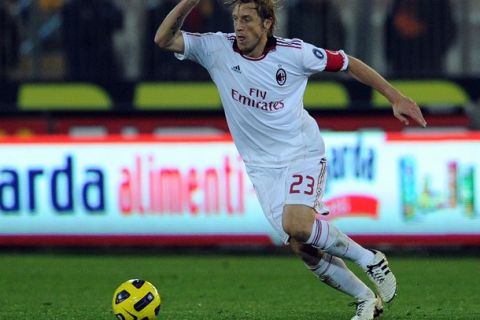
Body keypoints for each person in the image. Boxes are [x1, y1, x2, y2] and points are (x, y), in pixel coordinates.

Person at [154, 1, 427, 319]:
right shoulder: (216, 48)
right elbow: (163, 39)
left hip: (301, 152)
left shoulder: (295, 53)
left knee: (297, 224)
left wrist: (395, 97)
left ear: (267, 22)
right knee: (302, 244)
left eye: (246, 19)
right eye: (235, 19)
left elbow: (348, 62)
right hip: (261, 167)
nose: (238, 27)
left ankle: (370, 259)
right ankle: (366, 299)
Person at [384, 0, 456, 78]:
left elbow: (447, 31)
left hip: (429, 66)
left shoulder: (438, 4)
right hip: (400, 65)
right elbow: (390, 30)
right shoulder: (399, 3)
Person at [62, 0, 123, 80]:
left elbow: (118, 23)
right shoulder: (72, 7)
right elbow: (69, 35)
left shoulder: (105, 6)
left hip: (104, 62)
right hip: (81, 62)